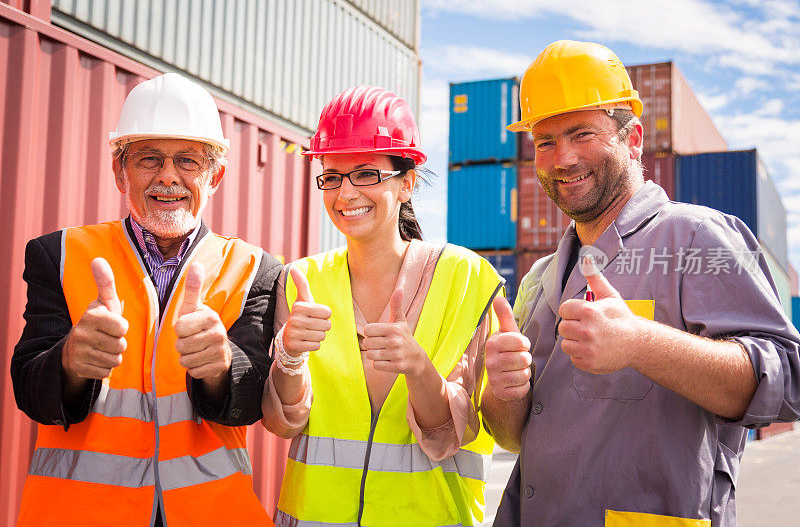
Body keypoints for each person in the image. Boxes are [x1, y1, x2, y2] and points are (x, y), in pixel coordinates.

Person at [483, 40, 800, 526]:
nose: (563, 158)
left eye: (582, 133)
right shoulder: (543, 276)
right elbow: (512, 437)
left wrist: (640, 343)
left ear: (632, 139)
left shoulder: (697, 238)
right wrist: (505, 394)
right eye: (544, 141)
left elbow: (788, 385)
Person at [10, 73, 281, 526]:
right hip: (83, 516)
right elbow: (29, 390)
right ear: (120, 171)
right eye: (148, 159)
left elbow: (250, 405)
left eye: (188, 162)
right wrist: (70, 361)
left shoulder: (256, 270)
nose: (168, 177)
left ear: (216, 175)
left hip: (210, 515)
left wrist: (221, 368)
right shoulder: (57, 255)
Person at [260, 85, 503, 526]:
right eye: (331, 177)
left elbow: (453, 434)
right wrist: (290, 358)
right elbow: (285, 424)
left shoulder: (465, 280)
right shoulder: (300, 282)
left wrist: (418, 368)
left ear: (407, 183)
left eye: (367, 173)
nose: (346, 193)